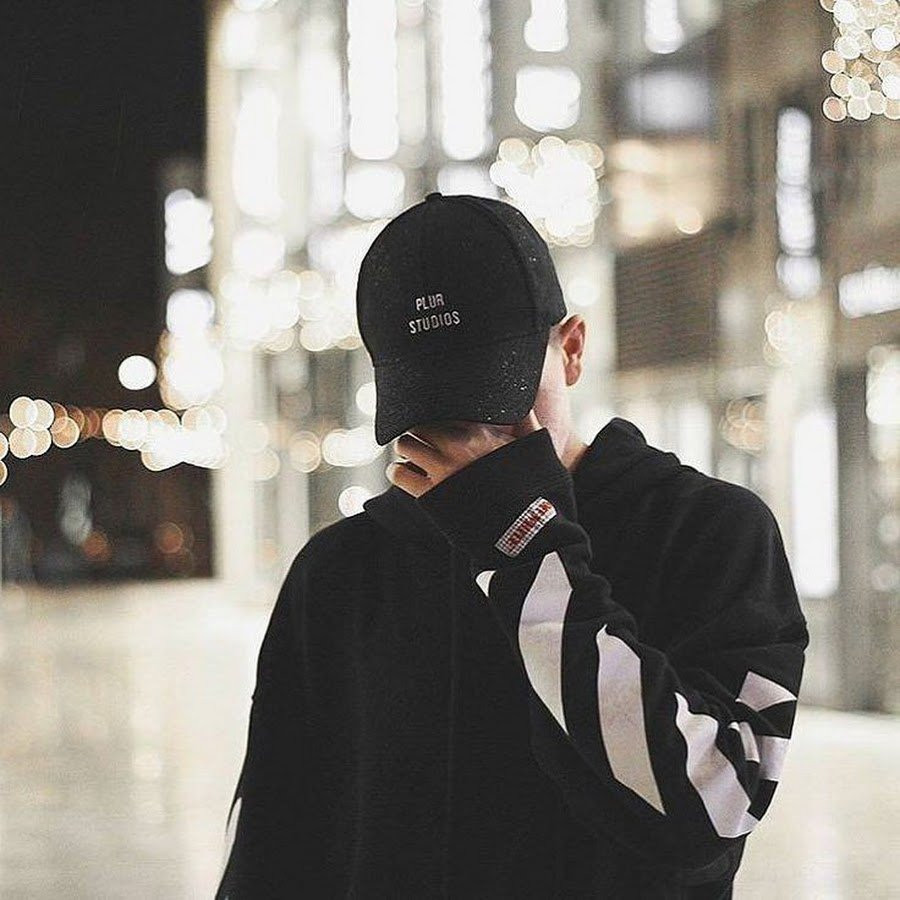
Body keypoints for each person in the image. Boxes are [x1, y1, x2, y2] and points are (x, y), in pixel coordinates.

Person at [215, 192, 809, 899]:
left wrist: (527, 548)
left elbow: (711, 810)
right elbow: (277, 844)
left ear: (573, 349)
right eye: (436, 404)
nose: (474, 435)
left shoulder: (711, 533)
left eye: (497, 396)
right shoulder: (342, 570)